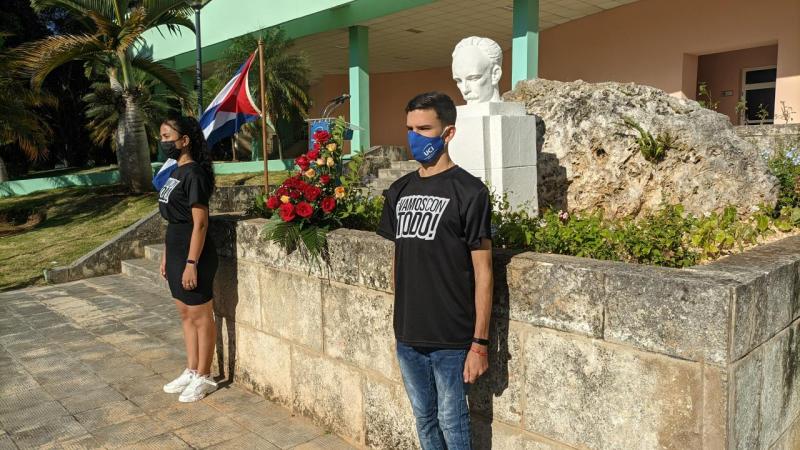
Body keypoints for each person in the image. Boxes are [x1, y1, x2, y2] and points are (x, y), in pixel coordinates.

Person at [377, 92, 494, 449]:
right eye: (410, 128)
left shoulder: (470, 192)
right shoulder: (398, 190)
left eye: (425, 128)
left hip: (451, 337)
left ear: (448, 133)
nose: (415, 136)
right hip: (408, 334)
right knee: (424, 420)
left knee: (452, 422)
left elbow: (484, 271)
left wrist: (480, 343)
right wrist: (400, 320)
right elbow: (399, 257)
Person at [156, 115, 219, 403]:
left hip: (196, 253)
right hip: (177, 248)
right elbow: (173, 220)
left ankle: (205, 376)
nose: (163, 142)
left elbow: (200, 223)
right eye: (162, 137)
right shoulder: (175, 171)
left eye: (168, 137)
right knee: (185, 314)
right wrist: (168, 256)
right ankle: (192, 369)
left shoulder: (194, 174)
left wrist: (191, 263)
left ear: (185, 141)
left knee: (200, 315)